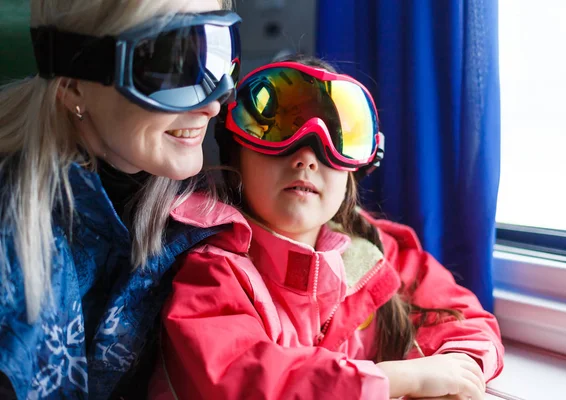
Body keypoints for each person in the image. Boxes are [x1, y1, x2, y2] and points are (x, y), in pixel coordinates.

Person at [150, 58, 504, 400]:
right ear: (236, 150)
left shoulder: (377, 252)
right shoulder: (212, 271)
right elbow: (242, 379)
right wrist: (390, 380)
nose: (306, 158)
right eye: (277, 131)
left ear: (355, 169)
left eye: (333, 139)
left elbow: (466, 320)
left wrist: (457, 369)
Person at [0, 1, 241, 399]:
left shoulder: (200, 217)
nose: (212, 102)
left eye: (219, 51)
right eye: (172, 61)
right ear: (74, 84)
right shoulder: (13, 233)